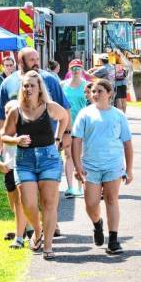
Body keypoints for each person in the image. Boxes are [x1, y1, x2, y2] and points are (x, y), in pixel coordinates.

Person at [2, 71, 69, 260]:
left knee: (49, 203)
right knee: (28, 203)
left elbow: (64, 117)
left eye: (32, 85)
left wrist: (58, 138)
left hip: (49, 158)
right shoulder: (16, 110)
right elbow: (4, 136)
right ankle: (37, 231)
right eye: (25, 85)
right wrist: (17, 140)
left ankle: (48, 246)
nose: (28, 89)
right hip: (25, 161)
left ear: (40, 88)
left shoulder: (49, 107)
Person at [72, 79, 133, 255]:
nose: (96, 94)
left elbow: (127, 143)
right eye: (93, 91)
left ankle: (113, 239)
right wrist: (77, 166)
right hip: (90, 165)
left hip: (113, 164)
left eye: (100, 91)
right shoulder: (85, 114)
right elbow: (77, 141)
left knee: (111, 199)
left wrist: (129, 169)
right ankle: (97, 223)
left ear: (109, 93)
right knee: (90, 203)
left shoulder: (118, 115)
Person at [0, 100, 28, 248]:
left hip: (23, 170)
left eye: (10, 111)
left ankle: (25, 234)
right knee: (14, 206)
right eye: (6, 112)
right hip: (9, 170)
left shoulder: (25, 128)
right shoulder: (3, 132)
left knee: (22, 203)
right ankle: (22, 229)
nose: (8, 114)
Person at [61, 59, 89, 198]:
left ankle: (81, 185)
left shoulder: (87, 85)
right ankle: (70, 187)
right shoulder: (63, 85)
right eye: (73, 68)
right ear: (69, 70)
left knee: (81, 156)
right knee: (68, 155)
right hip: (67, 126)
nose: (76, 70)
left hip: (82, 126)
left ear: (82, 69)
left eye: (78, 68)